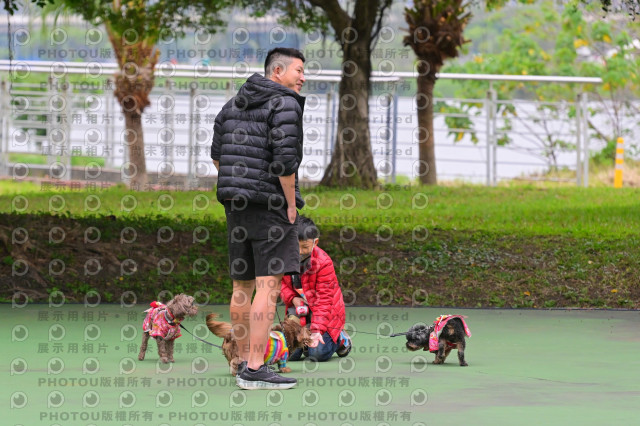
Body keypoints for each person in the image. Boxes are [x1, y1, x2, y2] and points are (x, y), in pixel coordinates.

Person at [211, 47, 311, 390]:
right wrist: (291, 205)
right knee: (268, 288)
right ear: (277, 71)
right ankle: (255, 367)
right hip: (271, 207)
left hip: (235, 207)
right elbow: (285, 162)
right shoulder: (285, 103)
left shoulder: (232, 104)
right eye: (298, 70)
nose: (303, 77)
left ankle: (240, 360)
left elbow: (217, 156)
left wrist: (238, 187)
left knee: (242, 286)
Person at [281, 216, 352, 362]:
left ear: (315, 242)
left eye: (305, 247)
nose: (300, 251)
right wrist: (293, 299)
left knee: (317, 354)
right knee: (289, 353)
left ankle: (340, 338)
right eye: (295, 246)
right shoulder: (284, 257)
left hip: (324, 311)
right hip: (299, 309)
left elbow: (324, 300)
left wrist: (317, 330)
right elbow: (279, 284)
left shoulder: (323, 262)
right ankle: (305, 339)